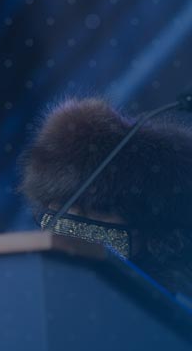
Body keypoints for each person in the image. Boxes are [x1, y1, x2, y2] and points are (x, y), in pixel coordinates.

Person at [19, 97, 192, 296]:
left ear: (156, 236)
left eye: (99, 209)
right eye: (62, 204)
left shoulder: (173, 315)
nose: (72, 218)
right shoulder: (26, 294)